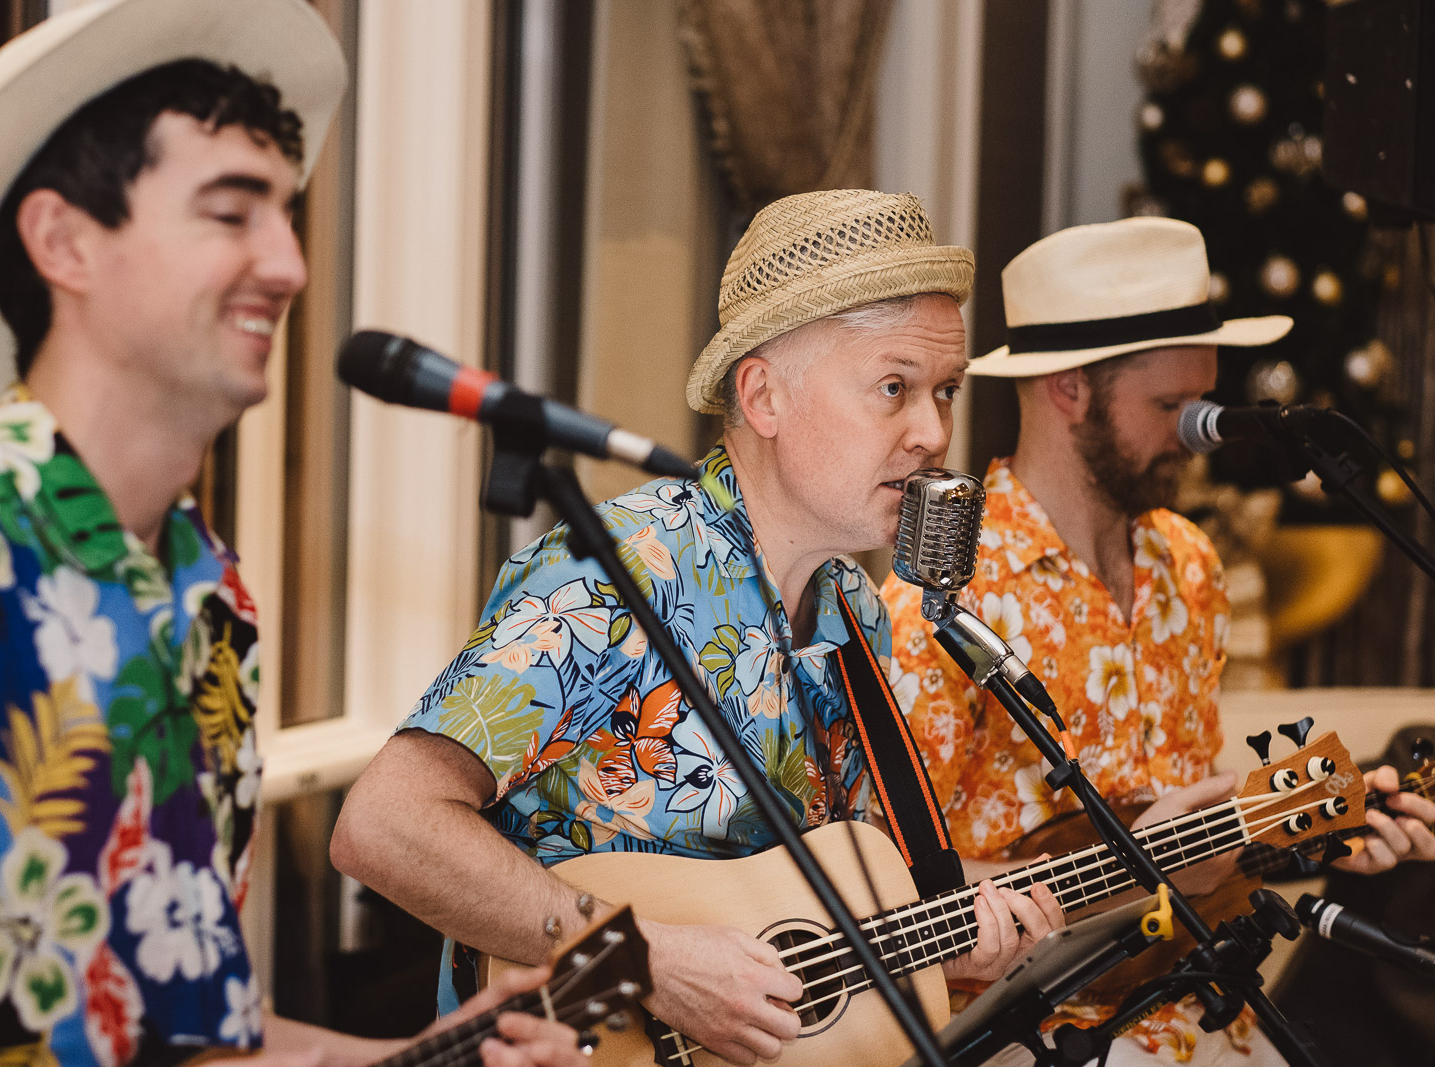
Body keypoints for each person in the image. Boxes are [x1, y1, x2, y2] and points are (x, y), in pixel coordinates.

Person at [0, 2, 589, 1064]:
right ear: (63, 241)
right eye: (233, 214)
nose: (288, 264)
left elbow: (181, 1027)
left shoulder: (210, 598)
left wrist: (418, 1054)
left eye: (288, 215)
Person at [331, 190, 1067, 1067]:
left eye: (945, 390)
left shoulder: (855, 610)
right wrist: (649, 957)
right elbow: (381, 826)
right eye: (894, 387)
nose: (933, 431)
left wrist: (969, 925)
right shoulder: (622, 571)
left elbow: (852, 890)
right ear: (762, 396)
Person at [880, 216, 1435, 1065]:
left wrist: (1309, 833)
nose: (1199, 434)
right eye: (1171, 409)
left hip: (1203, 1010)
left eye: (1204, 404)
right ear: (1068, 389)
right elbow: (889, 889)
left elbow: (1196, 857)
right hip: (1031, 1033)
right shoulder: (946, 596)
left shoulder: (1190, 561)